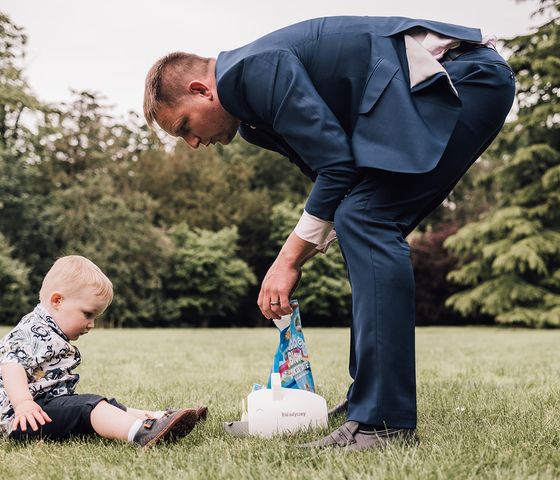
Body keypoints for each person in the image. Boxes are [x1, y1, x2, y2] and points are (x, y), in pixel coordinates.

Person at [143, 16, 515, 450]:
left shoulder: (253, 71)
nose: (192, 143)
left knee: (367, 220)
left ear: (201, 91)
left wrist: (288, 260)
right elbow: (334, 176)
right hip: (436, 91)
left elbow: (339, 168)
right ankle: (368, 400)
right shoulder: (252, 120)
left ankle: (383, 422)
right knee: (361, 222)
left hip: (464, 78)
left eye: (185, 127)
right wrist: (309, 243)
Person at [0, 255, 207, 447]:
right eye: (88, 314)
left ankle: (162, 418)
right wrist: (23, 403)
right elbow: (11, 364)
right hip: (26, 418)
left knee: (107, 405)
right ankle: (144, 432)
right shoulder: (31, 329)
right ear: (57, 301)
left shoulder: (49, 328)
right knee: (89, 406)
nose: (91, 324)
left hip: (44, 408)